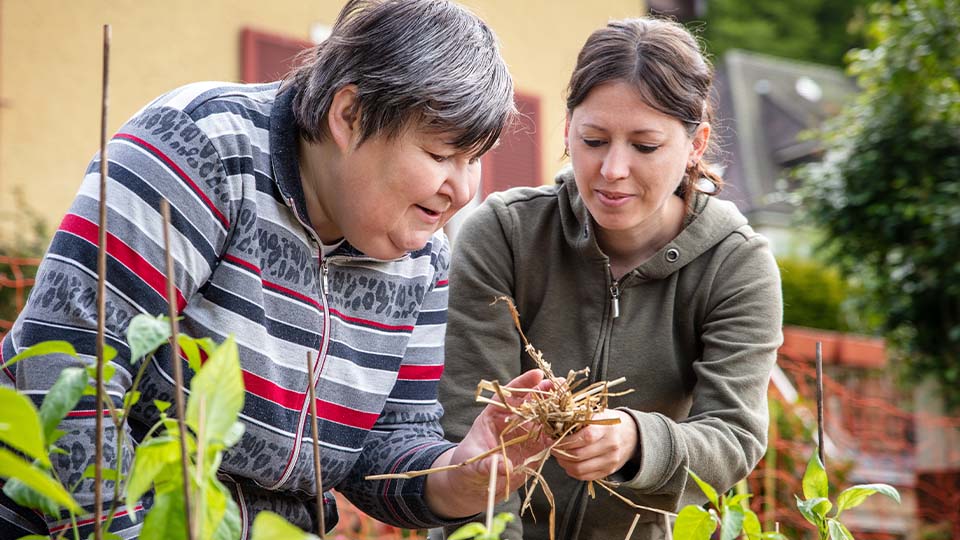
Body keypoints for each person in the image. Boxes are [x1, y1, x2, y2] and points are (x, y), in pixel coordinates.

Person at [0, 0, 550, 538]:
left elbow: (385, 449)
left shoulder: (422, 256)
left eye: (474, 158)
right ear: (349, 115)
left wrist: (465, 473)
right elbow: (70, 365)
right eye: (438, 155)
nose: (461, 190)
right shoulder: (200, 147)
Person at [436, 17, 784, 540]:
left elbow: (733, 437)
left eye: (645, 146)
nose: (612, 169)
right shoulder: (506, 234)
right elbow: (469, 421)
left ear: (696, 144)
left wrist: (639, 442)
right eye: (594, 139)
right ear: (568, 126)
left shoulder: (737, 267)